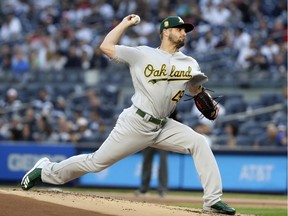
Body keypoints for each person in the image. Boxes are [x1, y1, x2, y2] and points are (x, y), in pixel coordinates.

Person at [21, 14, 236, 215]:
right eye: (179, 29)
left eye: (185, 30)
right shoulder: (142, 53)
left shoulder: (190, 63)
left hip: (164, 126)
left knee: (199, 142)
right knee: (95, 163)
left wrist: (204, 100)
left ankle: (212, 200)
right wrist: (124, 24)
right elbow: (106, 46)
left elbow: (196, 91)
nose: (184, 33)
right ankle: (45, 170)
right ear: (165, 32)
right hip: (136, 123)